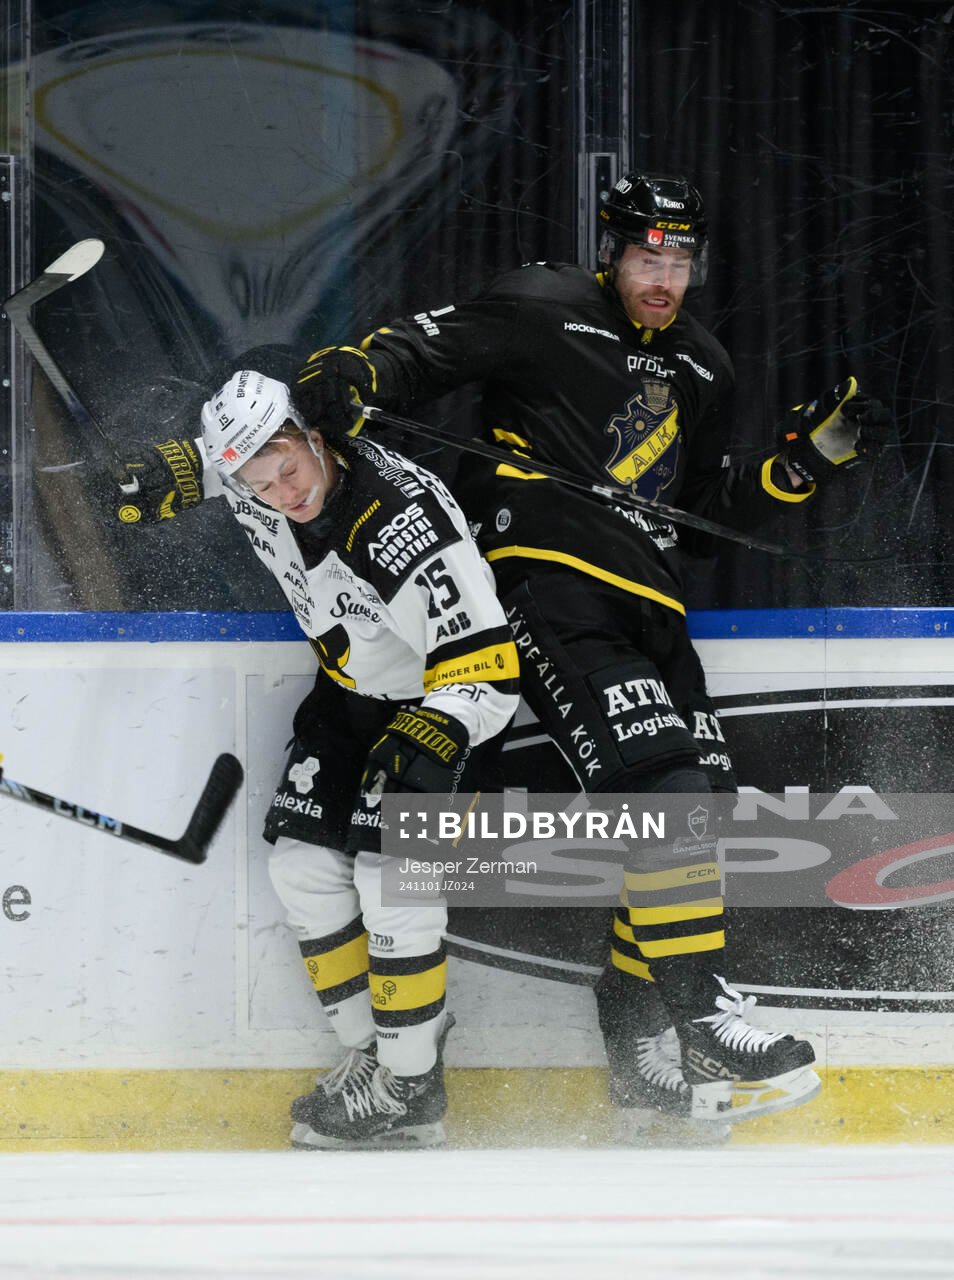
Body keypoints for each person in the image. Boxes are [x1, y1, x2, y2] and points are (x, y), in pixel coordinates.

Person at [291, 171, 892, 1140]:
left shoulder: (705, 366)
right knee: (662, 787)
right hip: (547, 576)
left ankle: (639, 1037)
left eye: (681, 260)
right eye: (648, 257)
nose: (665, 277)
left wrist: (798, 468)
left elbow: (696, 516)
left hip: (653, 603)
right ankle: (702, 1020)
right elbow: (422, 351)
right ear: (610, 250)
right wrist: (361, 372)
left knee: (700, 803)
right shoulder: (544, 305)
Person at [109, 367, 520, 1149]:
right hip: (347, 698)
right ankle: (386, 1061)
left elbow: (491, 663)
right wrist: (160, 473)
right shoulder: (255, 469)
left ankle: (409, 1084)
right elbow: (215, 459)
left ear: (316, 437)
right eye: (257, 485)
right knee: (300, 868)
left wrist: (441, 732)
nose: (281, 495)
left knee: (389, 880)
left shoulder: (406, 521)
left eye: (289, 472)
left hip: (446, 701)